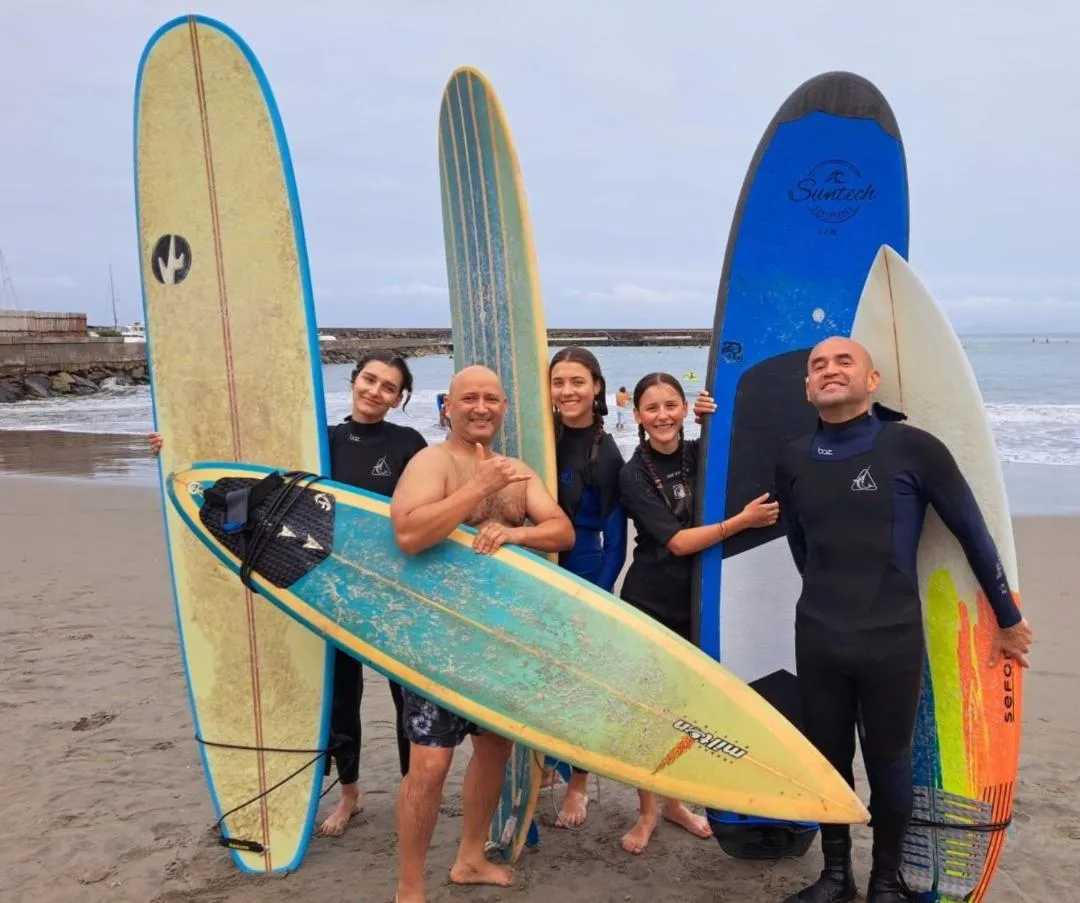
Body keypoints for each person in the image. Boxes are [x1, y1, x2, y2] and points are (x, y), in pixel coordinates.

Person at [764, 337, 1034, 903]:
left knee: (889, 762)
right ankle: (836, 876)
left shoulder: (912, 449)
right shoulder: (792, 458)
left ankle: (887, 881)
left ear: (873, 379)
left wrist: (1008, 618)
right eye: (818, 365)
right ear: (807, 388)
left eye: (844, 361)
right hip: (817, 633)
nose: (829, 370)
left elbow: (972, 533)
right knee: (826, 757)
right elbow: (800, 545)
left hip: (890, 638)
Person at [149, 350, 426, 837]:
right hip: (325, 583)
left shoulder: (408, 444)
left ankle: (413, 791)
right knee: (342, 695)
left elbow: (430, 498)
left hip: (389, 587)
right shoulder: (320, 441)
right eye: (369, 379)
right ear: (354, 379)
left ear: (400, 398)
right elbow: (248, 470)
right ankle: (350, 795)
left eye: (388, 387)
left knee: (408, 695)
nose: (375, 391)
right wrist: (175, 450)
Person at [388, 364, 575, 902]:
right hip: (438, 639)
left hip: (499, 637)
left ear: (504, 407)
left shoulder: (517, 470)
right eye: (469, 398)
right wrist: (476, 491)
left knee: (493, 750)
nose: (481, 408)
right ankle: (409, 886)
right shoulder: (431, 461)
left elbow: (559, 529)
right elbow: (408, 534)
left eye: (492, 398)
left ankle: (470, 858)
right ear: (448, 405)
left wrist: (515, 534)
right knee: (429, 764)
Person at [617, 371, 779, 855]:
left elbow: (738, 444)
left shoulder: (700, 454)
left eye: (672, 405)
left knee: (691, 712)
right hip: (652, 600)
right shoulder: (633, 474)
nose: (663, 415)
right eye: (652, 408)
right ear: (639, 415)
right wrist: (742, 522)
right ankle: (648, 810)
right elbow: (680, 541)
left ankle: (676, 802)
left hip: (704, 601)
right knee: (651, 713)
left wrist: (718, 411)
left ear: (684, 408)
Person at [546, 346, 627, 828]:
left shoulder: (606, 450)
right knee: (545, 675)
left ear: (596, 386)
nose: (567, 391)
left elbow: (617, 539)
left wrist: (597, 594)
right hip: (540, 562)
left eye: (577, 381)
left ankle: (578, 781)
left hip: (586, 566)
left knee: (579, 683)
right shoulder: (540, 436)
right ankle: (549, 766)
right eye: (558, 382)